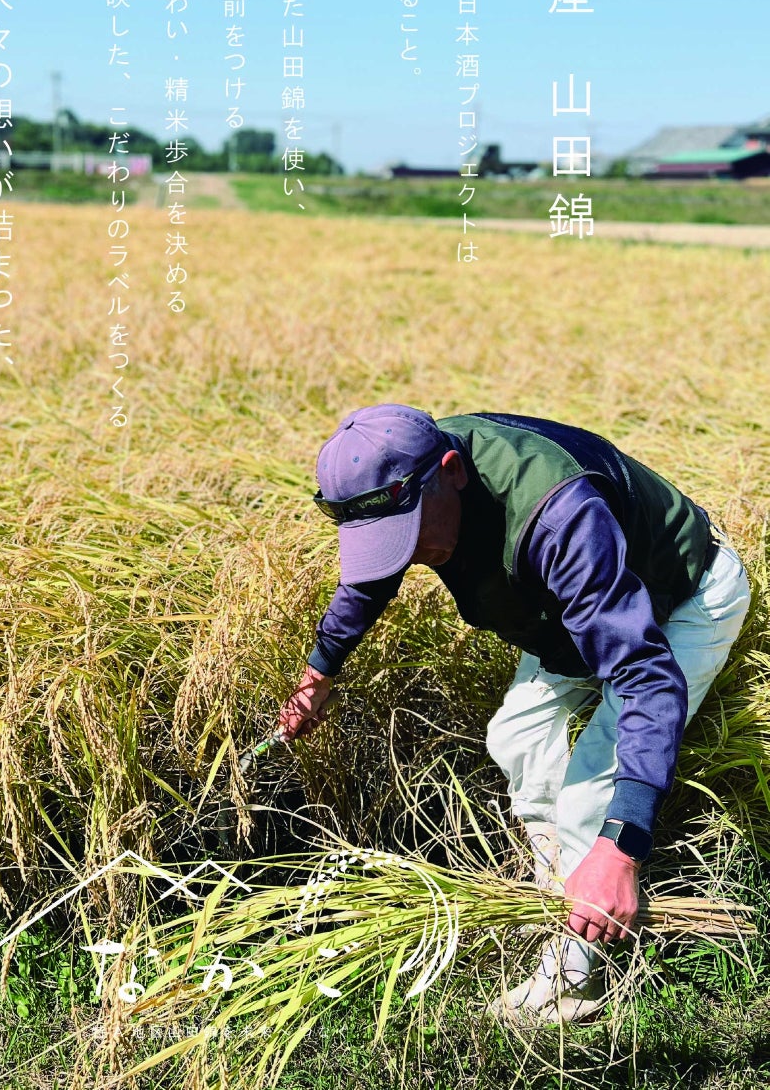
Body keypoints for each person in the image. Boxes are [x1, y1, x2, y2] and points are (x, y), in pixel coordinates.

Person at [277, 404, 751, 1024]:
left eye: (409, 532)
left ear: (453, 471)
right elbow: (372, 579)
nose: (406, 553)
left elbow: (645, 676)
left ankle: (578, 971)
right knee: (516, 737)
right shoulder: (408, 466)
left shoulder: (559, 514)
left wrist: (623, 846)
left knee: (589, 793)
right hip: (573, 618)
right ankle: (563, 893)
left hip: (682, 598)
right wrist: (319, 674)